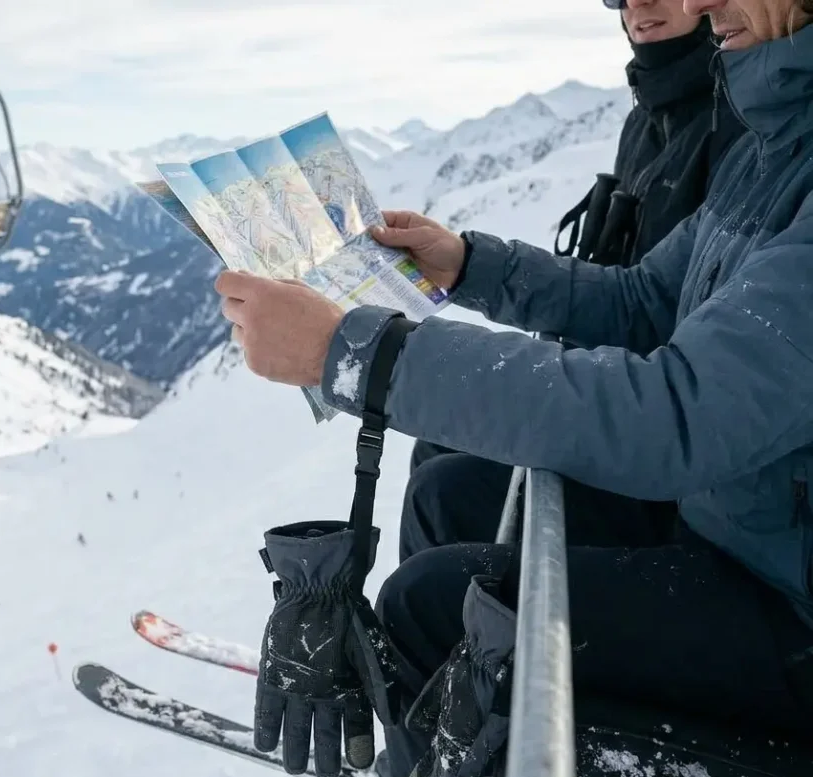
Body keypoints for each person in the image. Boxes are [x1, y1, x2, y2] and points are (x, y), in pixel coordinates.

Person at [214, 1, 813, 775]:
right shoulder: (774, 146)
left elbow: (672, 413)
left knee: (435, 606)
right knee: (453, 502)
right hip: (734, 523)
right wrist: (469, 264)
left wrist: (353, 351)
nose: (695, 3)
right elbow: (642, 302)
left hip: (785, 606)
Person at [405, 0, 745, 565]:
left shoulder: (742, 127)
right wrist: (464, 262)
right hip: (616, 390)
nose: (639, 4)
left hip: (663, 441)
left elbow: (664, 321)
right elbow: (631, 288)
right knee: (436, 449)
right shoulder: (648, 118)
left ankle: (464, 645)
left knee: (444, 498)